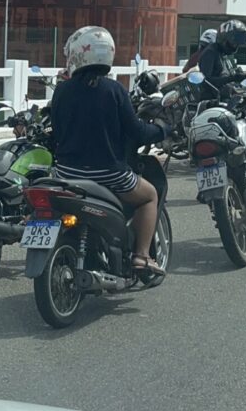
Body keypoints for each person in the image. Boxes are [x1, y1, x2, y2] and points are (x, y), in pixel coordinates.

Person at [51, 26, 170, 275]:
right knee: (149, 196)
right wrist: (161, 130)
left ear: (76, 55)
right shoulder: (115, 90)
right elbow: (136, 132)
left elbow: (57, 132)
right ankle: (142, 256)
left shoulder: (62, 90)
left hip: (66, 174)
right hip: (108, 175)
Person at [198, 20, 246, 90]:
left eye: (237, 44)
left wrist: (243, 75)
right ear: (224, 39)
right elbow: (206, 81)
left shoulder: (223, 53)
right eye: (233, 43)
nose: (235, 46)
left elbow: (226, 75)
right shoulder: (210, 53)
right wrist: (233, 78)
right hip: (214, 98)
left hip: (228, 94)